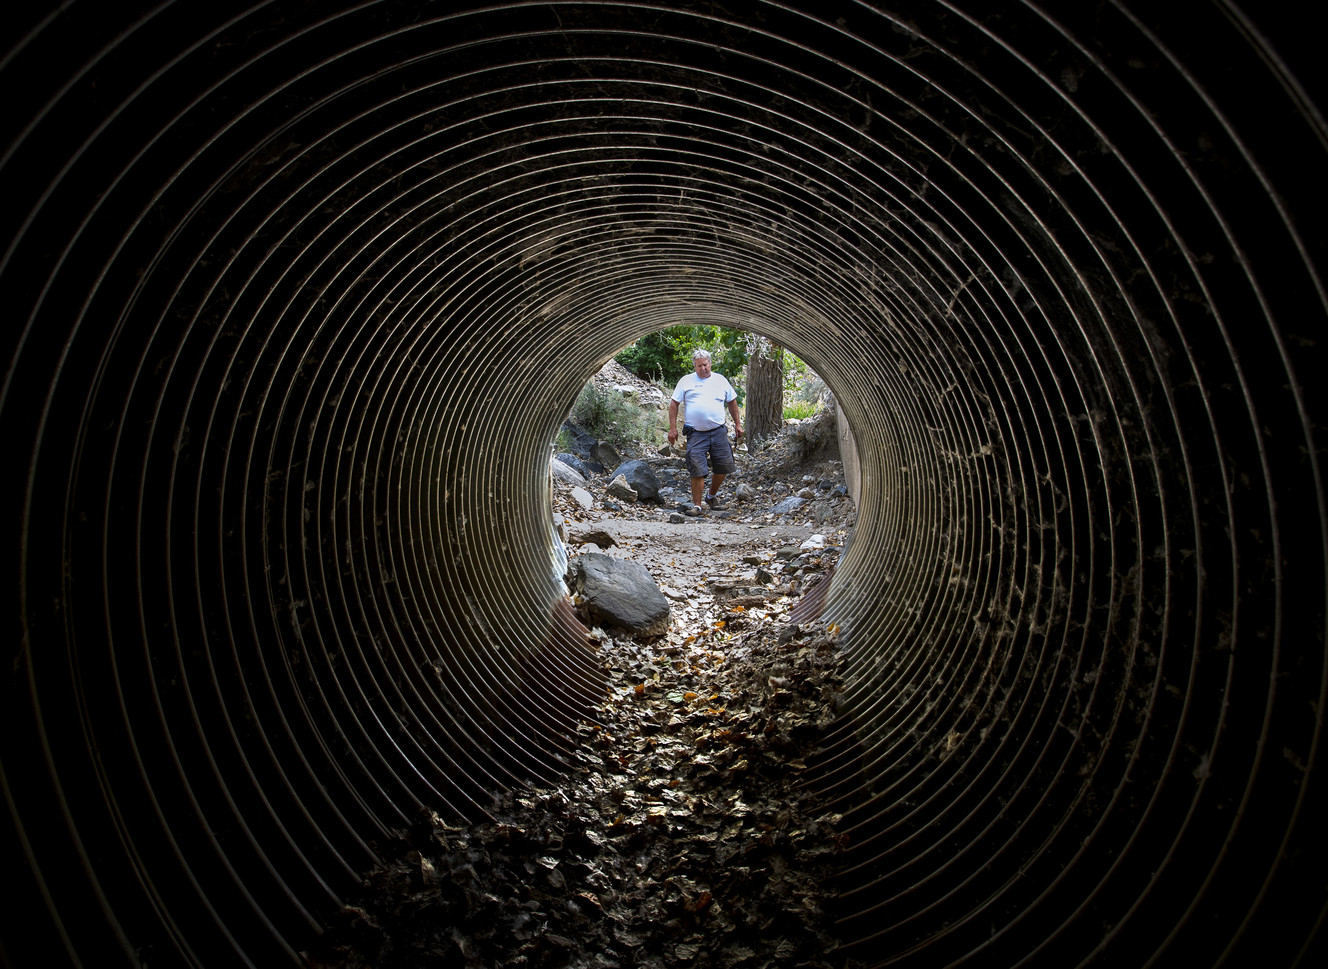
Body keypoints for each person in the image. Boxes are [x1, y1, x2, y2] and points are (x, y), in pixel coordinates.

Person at [667, 348, 744, 516]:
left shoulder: (720, 380)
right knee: (696, 467)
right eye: (699, 366)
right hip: (695, 433)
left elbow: (732, 402)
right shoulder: (686, 381)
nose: (703, 368)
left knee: (723, 466)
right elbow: (674, 404)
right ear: (694, 366)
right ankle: (697, 506)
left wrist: (738, 424)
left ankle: (711, 496)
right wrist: (673, 429)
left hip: (718, 431)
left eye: (705, 364)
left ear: (710, 363)